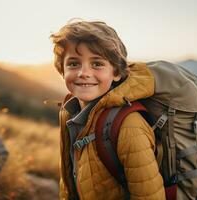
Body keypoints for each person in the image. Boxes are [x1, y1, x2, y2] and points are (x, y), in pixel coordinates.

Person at [51, 20, 165, 200]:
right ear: (62, 70)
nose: (84, 73)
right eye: (73, 63)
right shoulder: (69, 113)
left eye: (97, 64)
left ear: (116, 72)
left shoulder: (129, 126)